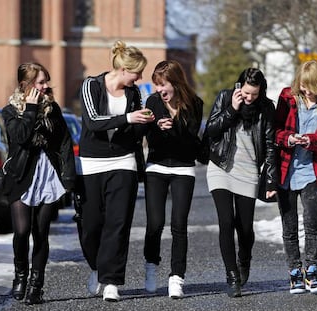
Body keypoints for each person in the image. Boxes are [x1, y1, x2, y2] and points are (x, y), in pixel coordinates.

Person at [75, 40, 154, 302]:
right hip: (92, 162)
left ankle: (111, 281)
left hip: (124, 161)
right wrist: (128, 118)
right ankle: (98, 267)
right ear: (123, 69)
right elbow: (93, 121)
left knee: (118, 223)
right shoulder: (92, 85)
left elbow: (133, 131)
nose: (140, 78)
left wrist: (146, 123)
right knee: (91, 225)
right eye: (137, 73)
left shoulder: (134, 94)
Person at [2, 62, 76, 305]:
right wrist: (32, 108)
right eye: (40, 82)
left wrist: (68, 178)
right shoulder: (11, 111)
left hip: (48, 176)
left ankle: (36, 285)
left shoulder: (53, 109)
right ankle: (20, 277)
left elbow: (65, 142)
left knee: (40, 232)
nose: (46, 86)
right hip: (21, 176)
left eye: (46, 81)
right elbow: (21, 137)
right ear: (26, 84)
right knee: (22, 232)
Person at [204, 68, 277, 297]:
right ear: (239, 87)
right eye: (246, 93)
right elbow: (211, 131)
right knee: (226, 222)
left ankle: (244, 260)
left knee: (244, 227)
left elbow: (270, 144)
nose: (249, 98)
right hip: (221, 167)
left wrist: (271, 179)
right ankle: (232, 275)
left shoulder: (266, 107)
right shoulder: (226, 98)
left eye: (254, 94)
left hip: (248, 172)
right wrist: (232, 109)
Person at [274, 60, 317, 294]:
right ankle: (295, 273)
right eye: (302, 86)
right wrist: (289, 138)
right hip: (286, 170)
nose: (305, 90)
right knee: (289, 226)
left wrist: (312, 141)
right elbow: (274, 131)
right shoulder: (287, 98)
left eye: (310, 86)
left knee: (312, 223)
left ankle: (312, 271)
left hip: (314, 171)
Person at [142, 60, 203, 298]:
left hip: (183, 168)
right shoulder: (152, 102)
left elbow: (191, 141)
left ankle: (177, 277)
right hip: (156, 166)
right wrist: (157, 128)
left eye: (163, 85)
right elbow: (148, 138)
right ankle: (151, 266)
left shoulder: (194, 104)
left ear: (175, 82)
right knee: (155, 223)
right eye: (156, 85)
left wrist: (174, 127)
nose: (159, 90)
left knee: (179, 225)